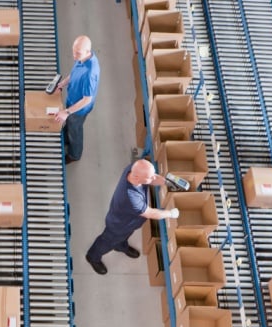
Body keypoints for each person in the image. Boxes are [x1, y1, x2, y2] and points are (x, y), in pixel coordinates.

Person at [86, 159, 179, 275]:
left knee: (124, 236)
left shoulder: (134, 169)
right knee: (107, 241)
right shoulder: (131, 197)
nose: (153, 178)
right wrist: (171, 213)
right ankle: (92, 256)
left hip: (130, 222)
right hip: (118, 225)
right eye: (150, 177)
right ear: (136, 178)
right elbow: (152, 213)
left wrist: (166, 182)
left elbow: (153, 178)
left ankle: (120, 245)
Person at [53, 35, 100, 164]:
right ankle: (66, 139)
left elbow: (87, 100)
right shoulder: (82, 58)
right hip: (72, 100)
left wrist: (67, 112)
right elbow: (73, 74)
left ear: (87, 51)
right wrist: (62, 84)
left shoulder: (90, 73)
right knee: (69, 125)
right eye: (73, 51)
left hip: (78, 110)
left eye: (77, 53)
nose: (74, 56)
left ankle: (75, 154)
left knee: (75, 130)